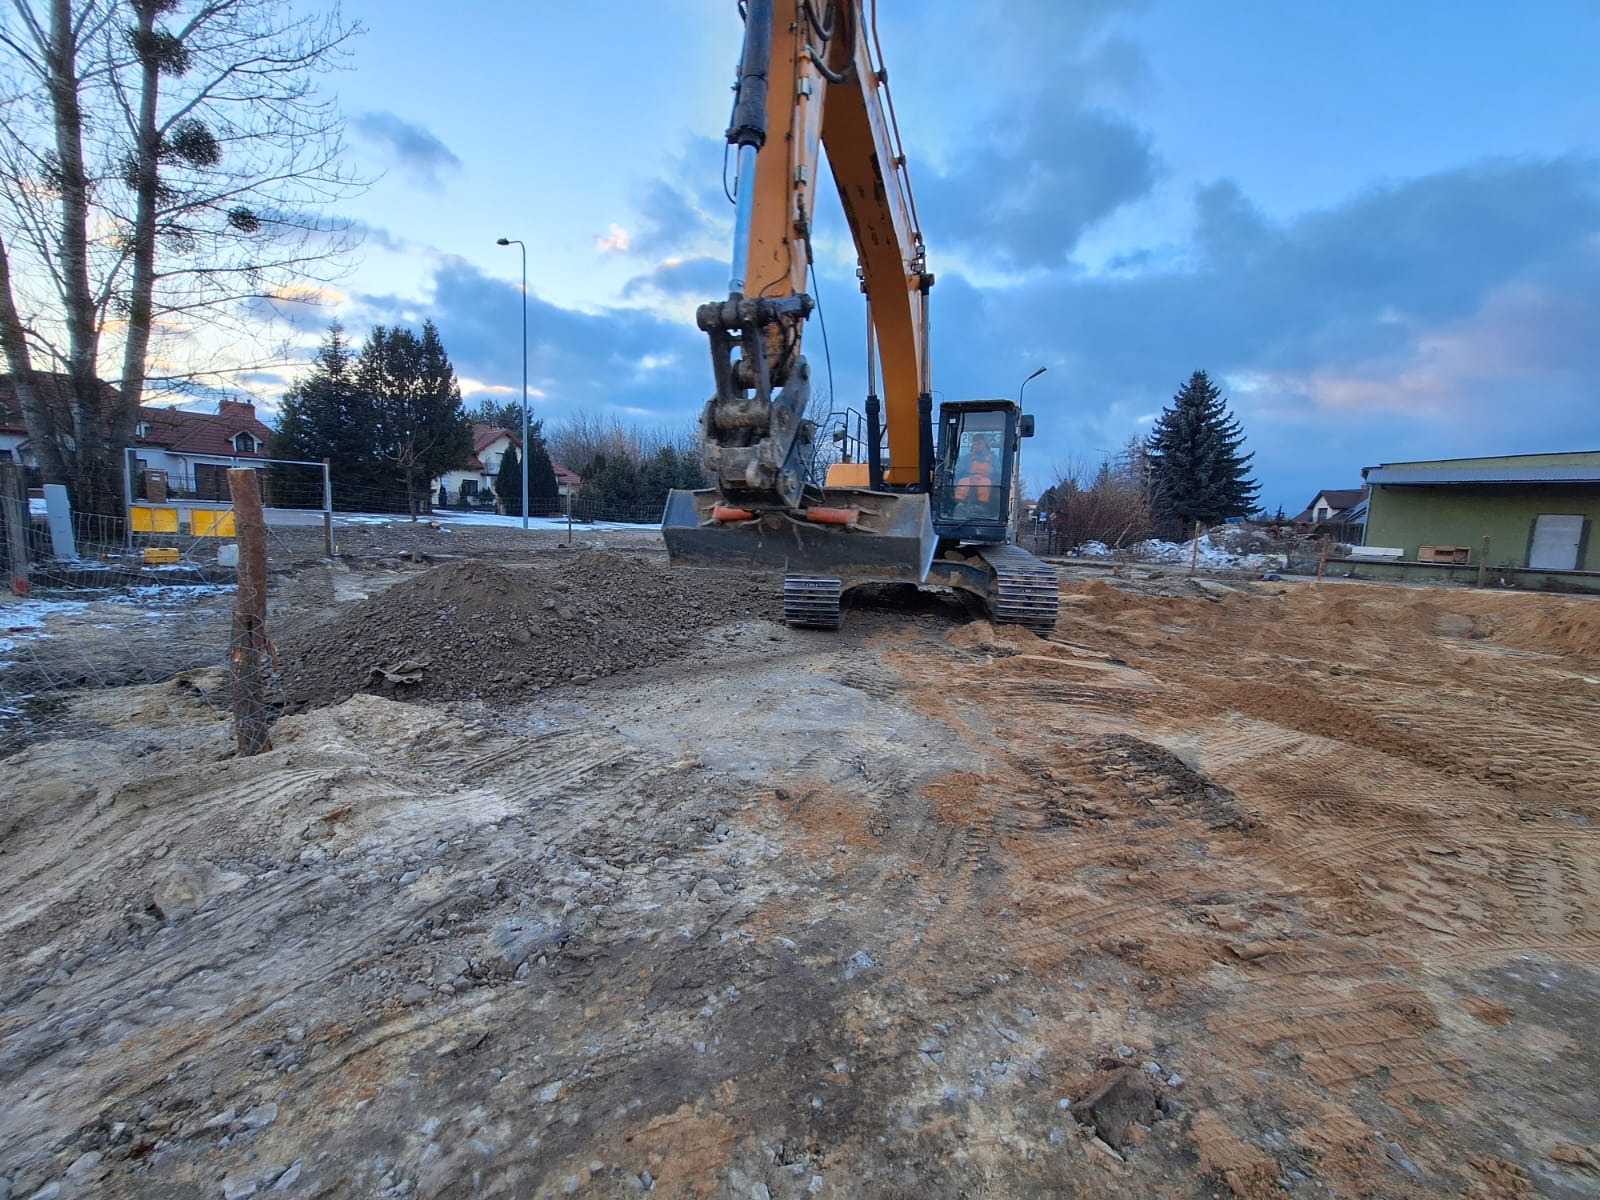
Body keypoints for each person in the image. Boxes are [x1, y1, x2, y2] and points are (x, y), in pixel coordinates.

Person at [954, 433, 997, 510]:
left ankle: (982, 505)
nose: (977, 445)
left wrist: (992, 473)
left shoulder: (993, 458)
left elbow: (998, 472)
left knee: (985, 483)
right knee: (963, 481)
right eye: (975, 443)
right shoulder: (966, 457)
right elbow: (959, 470)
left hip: (985, 479)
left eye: (979, 443)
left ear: (984, 443)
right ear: (973, 444)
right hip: (970, 479)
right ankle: (960, 503)